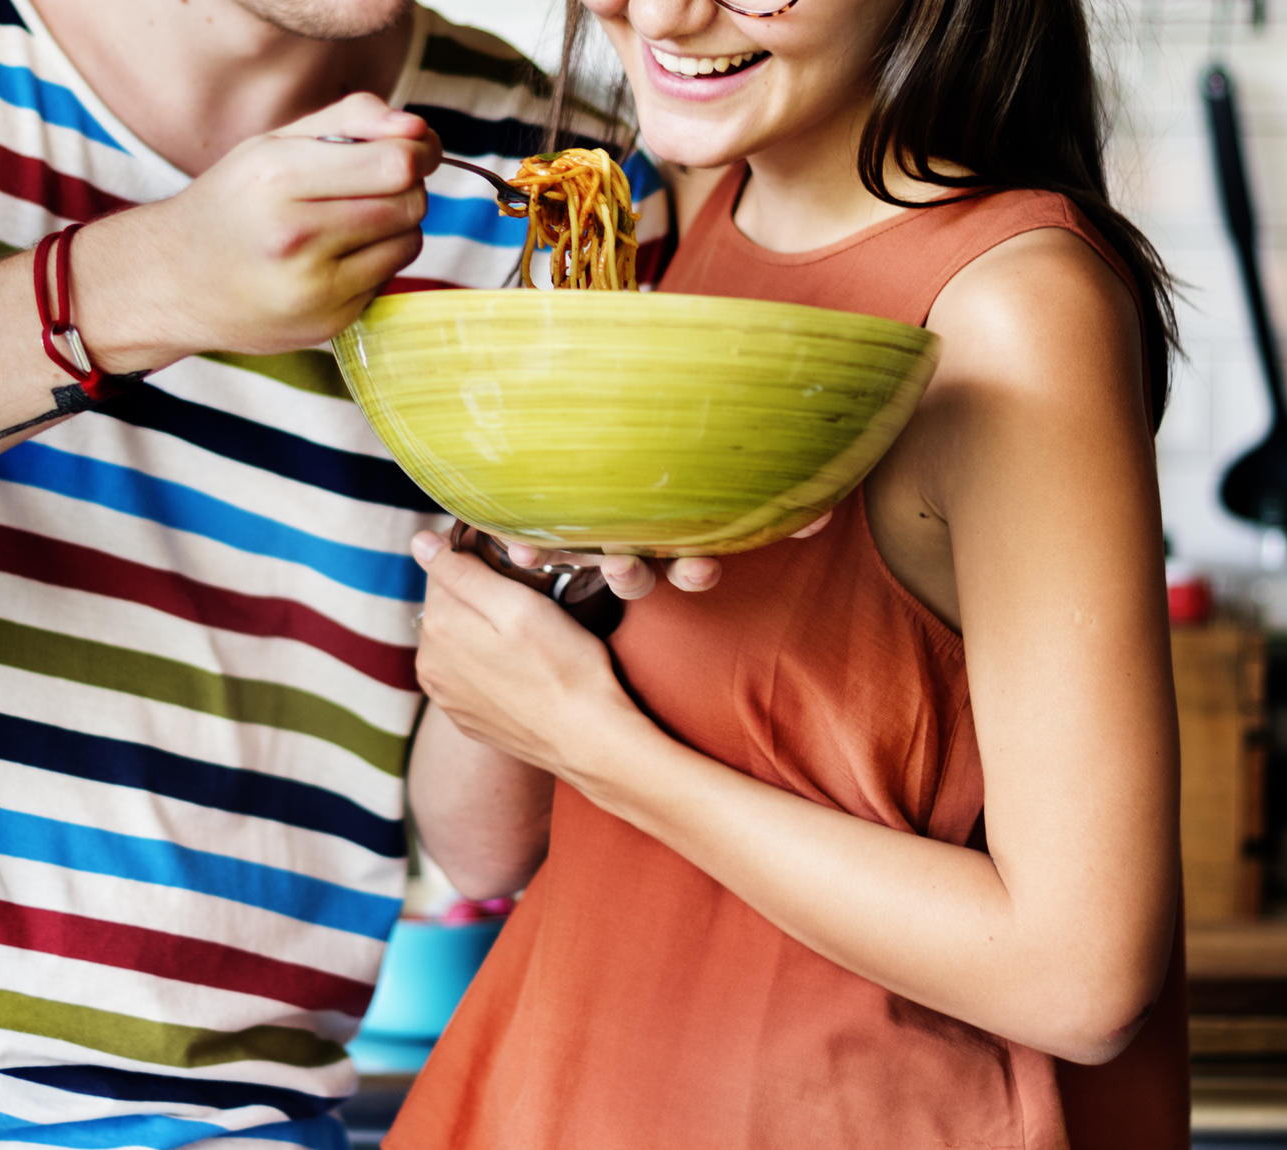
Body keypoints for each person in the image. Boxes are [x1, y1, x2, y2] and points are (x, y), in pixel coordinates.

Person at [392, 0, 1188, 1145]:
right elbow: (477, 844)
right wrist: (518, 563)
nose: (664, 12)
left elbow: (1079, 974)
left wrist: (603, 749)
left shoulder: (1015, 312)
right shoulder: (683, 222)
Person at [0, 0, 669, 1144]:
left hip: (257, 1115)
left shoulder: (569, 165)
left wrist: (534, 553)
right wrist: (145, 278)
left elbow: (477, 847)